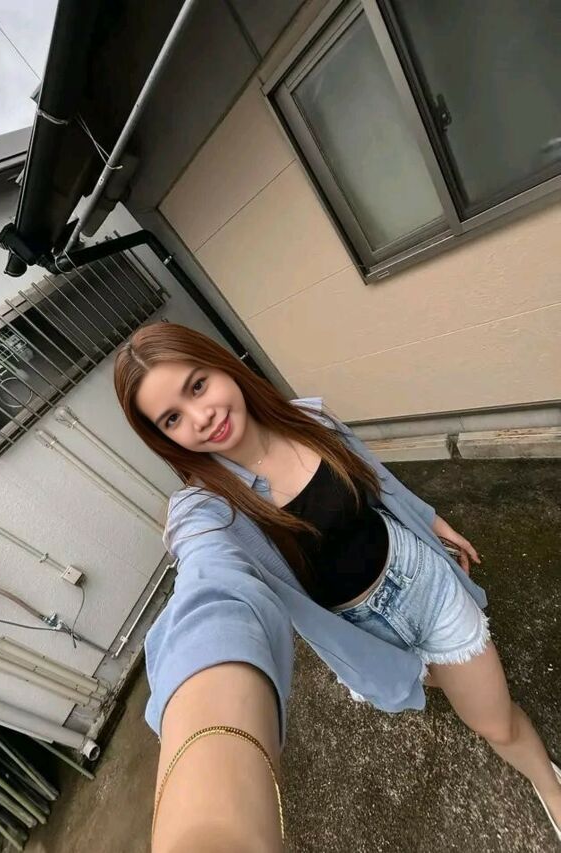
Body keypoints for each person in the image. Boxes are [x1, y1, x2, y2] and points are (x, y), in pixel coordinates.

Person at [114, 322, 561, 852]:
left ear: (223, 366)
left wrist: (433, 521)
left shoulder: (311, 420)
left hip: (426, 586)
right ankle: (428, 670)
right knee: (421, 678)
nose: (201, 416)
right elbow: (207, 582)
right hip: (360, 634)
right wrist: (207, 721)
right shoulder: (208, 510)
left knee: (496, 724)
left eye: (197, 385)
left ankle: (549, 786)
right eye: (172, 418)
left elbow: (378, 480)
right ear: (162, 437)